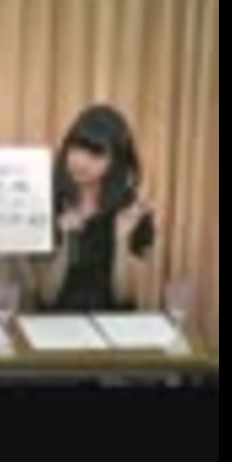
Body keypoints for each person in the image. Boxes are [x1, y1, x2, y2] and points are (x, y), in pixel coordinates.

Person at [36, 104, 155, 312]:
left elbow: (124, 296)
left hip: (112, 324)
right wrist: (65, 240)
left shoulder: (130, 209)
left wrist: (120, 240)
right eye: (76, 148)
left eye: (95, 154)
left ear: (116, 162)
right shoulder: (48, 202)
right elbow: (47, 296)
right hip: (55, 322)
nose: (81, 162)